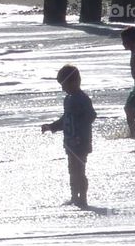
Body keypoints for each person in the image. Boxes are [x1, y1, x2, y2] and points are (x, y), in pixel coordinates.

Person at [41, 65, 97, 208]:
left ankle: (83, 198)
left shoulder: (82, 99)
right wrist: (51, 126)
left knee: (80, 171)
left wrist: (80, 126)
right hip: (70, 143)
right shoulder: (68, 99)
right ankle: (74, 196)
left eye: (64, 85)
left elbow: (91, 115)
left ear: (75, 82)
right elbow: (65, 119)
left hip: (81, 142)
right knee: (72, 171)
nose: (63, 88)